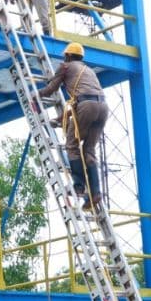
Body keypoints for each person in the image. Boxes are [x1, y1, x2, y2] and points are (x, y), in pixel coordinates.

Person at [38, 42, 108, 209]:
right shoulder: (88, 71)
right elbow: (83, 101)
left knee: (71, 145)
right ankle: (96, 193)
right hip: (103, 108)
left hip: (86, 107)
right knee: (89, 150)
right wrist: (60, 118)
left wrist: (36, 94)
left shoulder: (65, 67)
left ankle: (79, 186)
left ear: (68, 56)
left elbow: (51, 90)